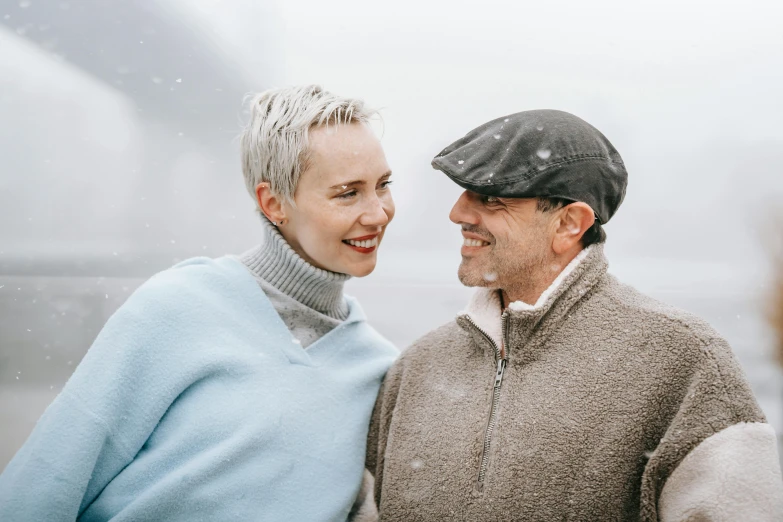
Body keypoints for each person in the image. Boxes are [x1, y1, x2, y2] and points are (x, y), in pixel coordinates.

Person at [0, 85, 398, 521]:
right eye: (348, 193)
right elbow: (48, 480)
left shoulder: (379, 367)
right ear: (273, 203)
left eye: (383, 185)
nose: (378, 213)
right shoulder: (178, 308)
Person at [367, 109, 783, 521]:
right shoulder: (416, 367)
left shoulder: (683, 359)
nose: (458, 214)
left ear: (570, 223)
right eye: (463, 194)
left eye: (491, 198)